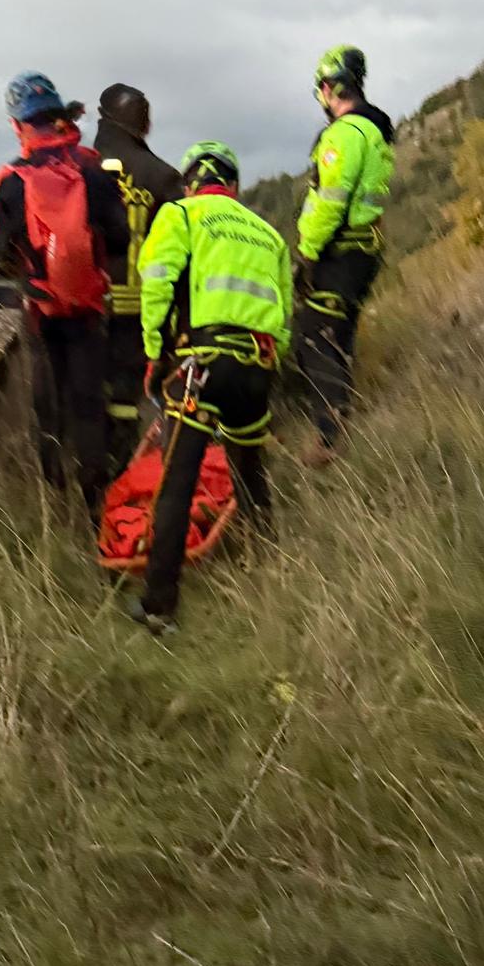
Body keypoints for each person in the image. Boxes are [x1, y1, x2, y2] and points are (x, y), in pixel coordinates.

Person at [127, 141, 292, 634]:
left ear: (190, 181)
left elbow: (155, 283)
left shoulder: (181, 215)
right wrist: (269, 362)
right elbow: (283, 317)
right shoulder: (267, 234)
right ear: (234, 186)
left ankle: (160, 606)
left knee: (177, 481)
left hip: (202, 365)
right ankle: (270, 568)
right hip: (256, 366)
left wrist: (155, 354)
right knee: (250, 474)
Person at [0, 72, 129, 523]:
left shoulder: (11, 180)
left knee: (48, 406)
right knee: (89, 401)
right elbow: (121, 239)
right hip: (88, 309)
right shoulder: (93, 170)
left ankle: (55, 502)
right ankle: (95, 505)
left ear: (18, 124)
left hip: (41, 310)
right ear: (59, 114)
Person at [294, 44, 396, 466]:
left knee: (311, 336)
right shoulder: (374, 131)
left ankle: (331, 435)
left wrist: (306, 253)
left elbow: (330, 201)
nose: (321, 94)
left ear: (332, 85)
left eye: (322, 86)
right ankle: (342, 424)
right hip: (363, 249)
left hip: (340, 252)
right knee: (340, 335)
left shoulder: (345, 135)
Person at [92, 85, 183, 475]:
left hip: (85, 304)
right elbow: (182, 250)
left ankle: (82, 478)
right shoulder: (162, 176)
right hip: (141, 308)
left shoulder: (80, 168)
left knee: (86, 392)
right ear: (143, 123)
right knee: (128, 396)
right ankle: (125, 469)